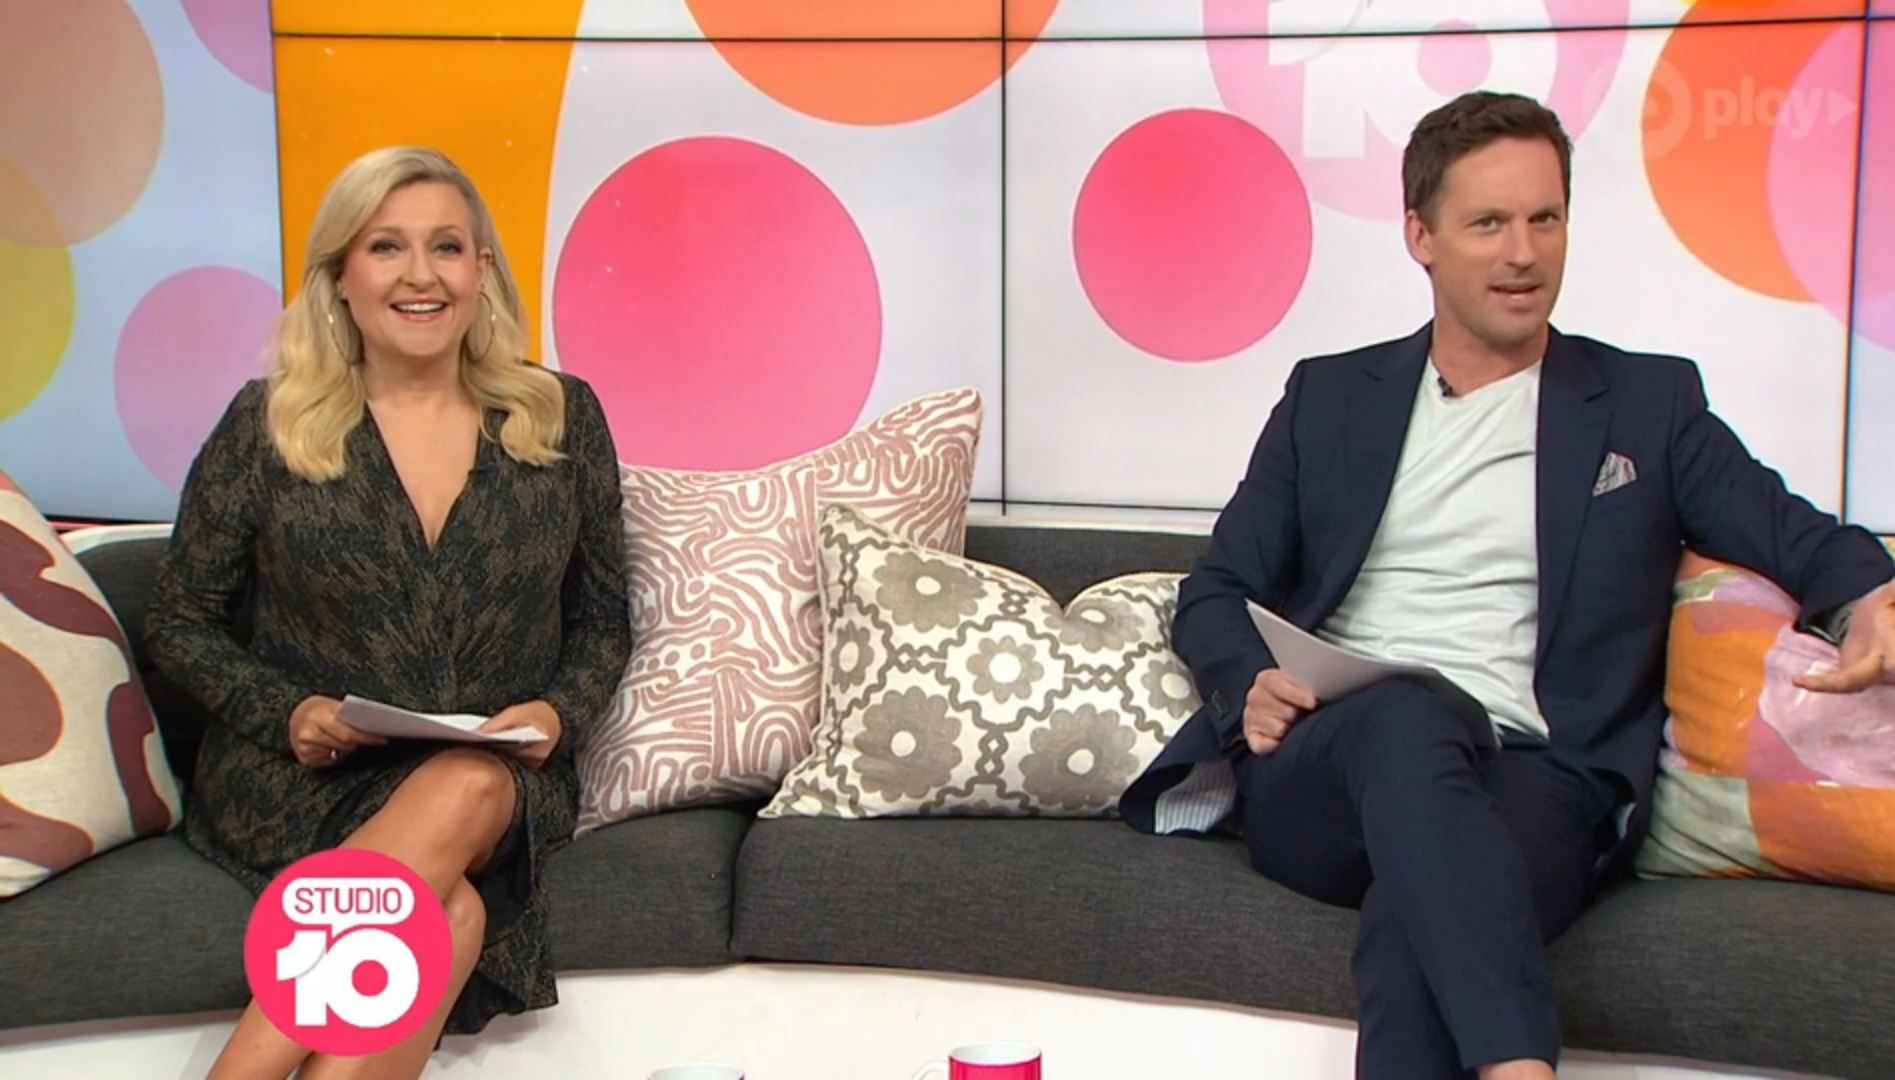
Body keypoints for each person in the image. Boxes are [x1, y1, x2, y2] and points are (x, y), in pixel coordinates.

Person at [1119, 90, 1895, 1079]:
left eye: (1544, 218)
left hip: (1538, 773)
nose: (1522, 253)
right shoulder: (1329, 396)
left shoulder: (1645, 404)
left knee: (1417, 914)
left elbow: (1789, 531)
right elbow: (1217, 587)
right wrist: (1246, 684)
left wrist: (1869, 596)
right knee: (1407, 714)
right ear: (1420, 236)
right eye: (1487, 223)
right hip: (1335, 764)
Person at [146, 145, 633, 1079]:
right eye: (385, 247)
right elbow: (178, 618)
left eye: (446, 247)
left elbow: (603, 620)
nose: (420, 275)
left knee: (469, 783)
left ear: (480, 270)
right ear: (341, 275)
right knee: (448, 917)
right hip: (306, 778)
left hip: (497, 773)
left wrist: (557, 711)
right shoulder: (267, 423)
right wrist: (288, 712)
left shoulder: (560, 416)